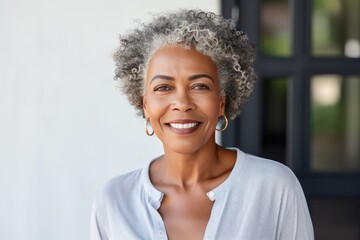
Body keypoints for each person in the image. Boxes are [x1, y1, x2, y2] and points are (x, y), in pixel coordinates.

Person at [90, 9, 314, 240]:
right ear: (145, 105)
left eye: (200, 86)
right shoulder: (115, 200)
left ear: (221, 102)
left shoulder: (273, 187)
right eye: (163, 88)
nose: (182, 103)